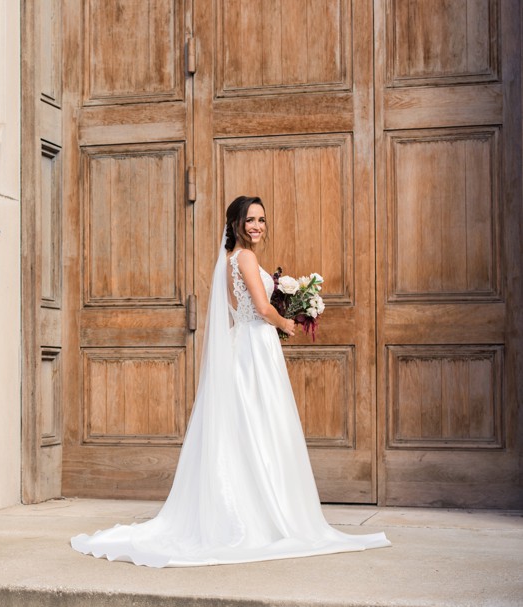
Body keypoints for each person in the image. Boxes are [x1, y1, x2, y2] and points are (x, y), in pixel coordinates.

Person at [71, 196, 390, 567]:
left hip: (244, 343)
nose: (257, 226)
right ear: (235, 223)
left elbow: (241, 306)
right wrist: (285, 322)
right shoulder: (246, 258)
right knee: (263, 423)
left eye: (262, 220)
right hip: (255, 345)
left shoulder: (226, 261)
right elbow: (261, 306)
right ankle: (265, 513)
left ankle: (247, 503)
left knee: (245, 426)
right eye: (250, 219)